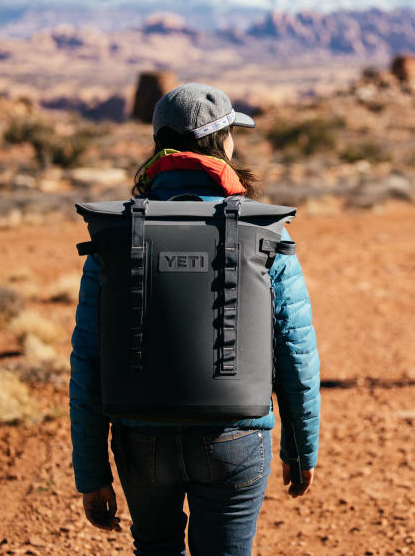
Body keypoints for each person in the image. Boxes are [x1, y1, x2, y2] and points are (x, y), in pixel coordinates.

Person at [70, 83, 320, 555]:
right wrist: (302, 448)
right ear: (223, 141)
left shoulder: (115, 233)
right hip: (236, 440)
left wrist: (91, 474)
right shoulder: (264, 230)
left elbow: (88, 358)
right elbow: (294, 348)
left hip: (140, 439)